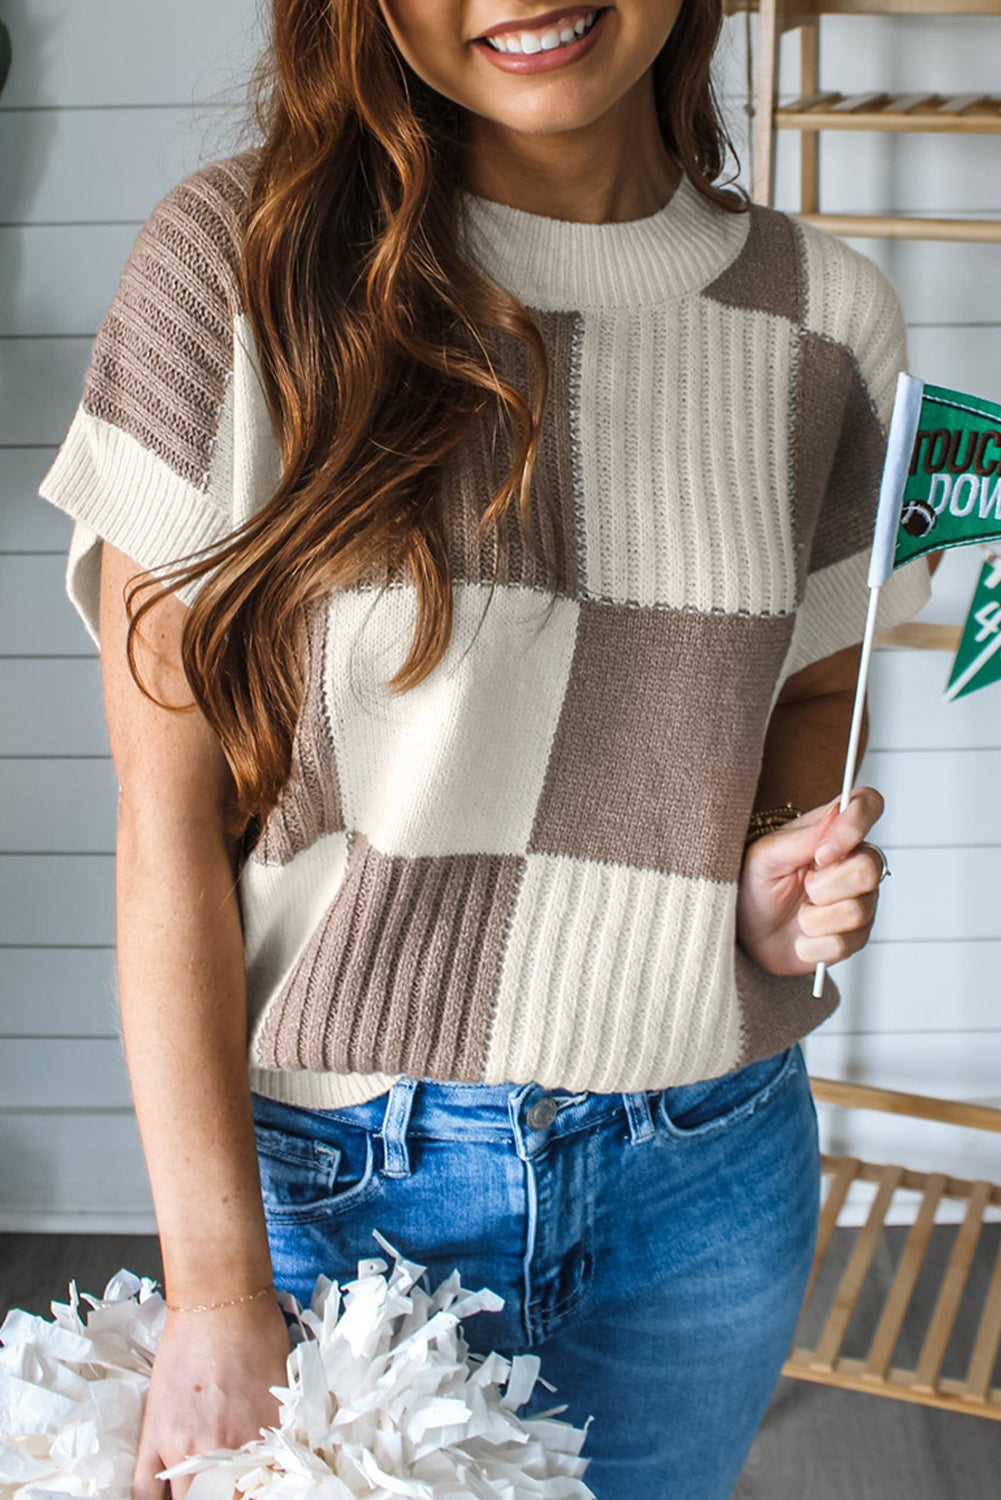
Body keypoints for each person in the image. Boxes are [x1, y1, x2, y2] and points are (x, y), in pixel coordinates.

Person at [38, 2, 934, 1496]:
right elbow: (163, 827)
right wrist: (213, 1292)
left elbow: (802, 702)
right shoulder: (240, 269)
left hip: (704, 1164)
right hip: (344, 1189)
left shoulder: (825, 316)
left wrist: (767, 883)